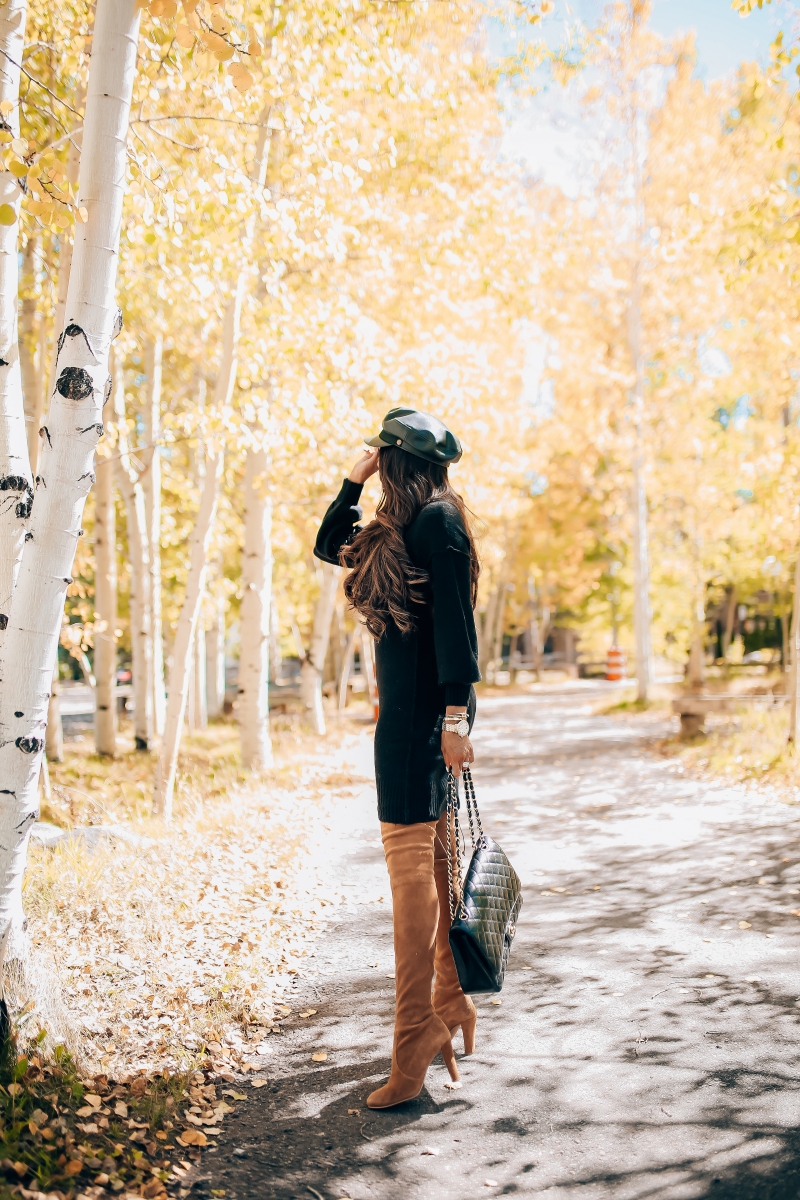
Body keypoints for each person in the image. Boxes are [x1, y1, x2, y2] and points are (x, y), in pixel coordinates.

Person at [314, 406, 481, 1110]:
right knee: (432, 867)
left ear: (400, 462)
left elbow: (456, 630)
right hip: (405, 722)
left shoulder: (437, 522)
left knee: (411, 876)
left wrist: (453, 718)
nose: (376, 466)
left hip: (421, 727)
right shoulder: (402, 528)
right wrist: (350, 482)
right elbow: (330, 546)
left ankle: (415, 1032)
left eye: (382, 458)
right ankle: (446, 1002)